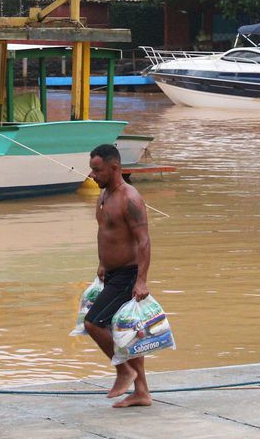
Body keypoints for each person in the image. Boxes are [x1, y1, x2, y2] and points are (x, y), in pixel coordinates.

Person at [82, 143, 154, 407]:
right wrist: (102, 263)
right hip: (111, 273)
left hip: (128, 275)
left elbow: (144, 241)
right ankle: (142, 392)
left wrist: (141, 279)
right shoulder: (103, 194)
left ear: (114, 168)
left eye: (97, 170)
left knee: (94, 323)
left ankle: (124, 370)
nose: (92, 175)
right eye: (91, 169)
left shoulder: (130, 198)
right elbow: (106, 233)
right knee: (126, 333)